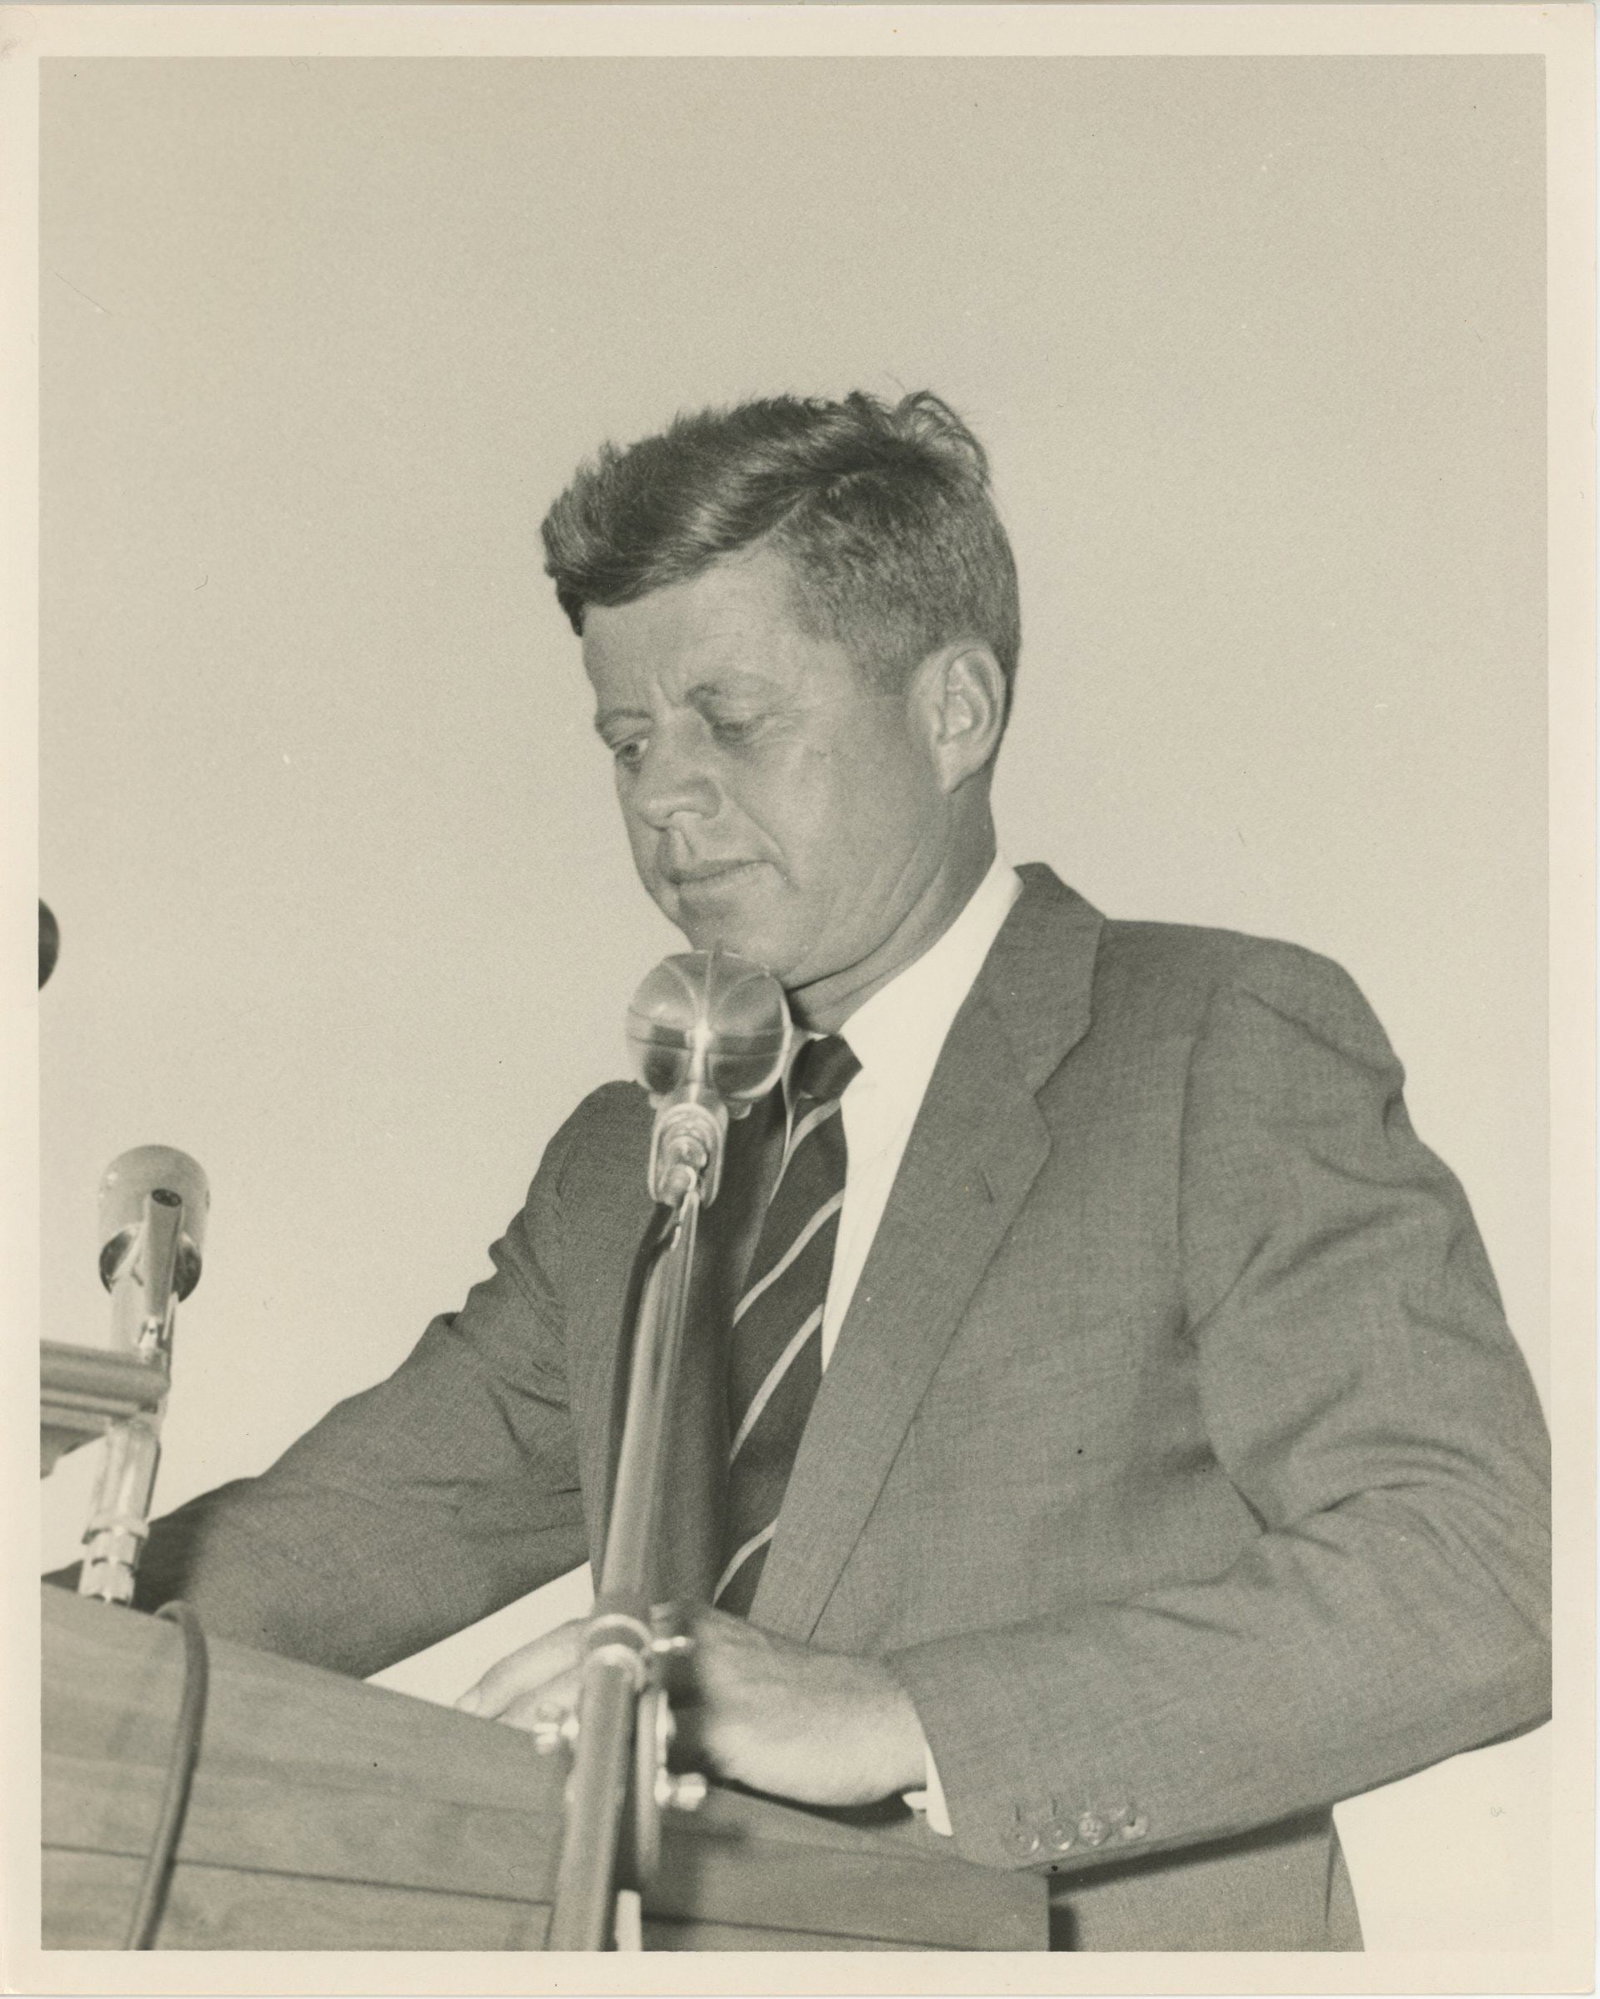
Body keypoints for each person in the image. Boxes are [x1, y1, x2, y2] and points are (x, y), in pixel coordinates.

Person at [107, 390, 1550, 1951]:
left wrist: (897, 1717)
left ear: (956, 713)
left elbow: (1475, 1574)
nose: (665, 798)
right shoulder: (627, 1162)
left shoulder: (1214, 1043)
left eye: (734, 722)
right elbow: (325, 1544)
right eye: (628, 743)